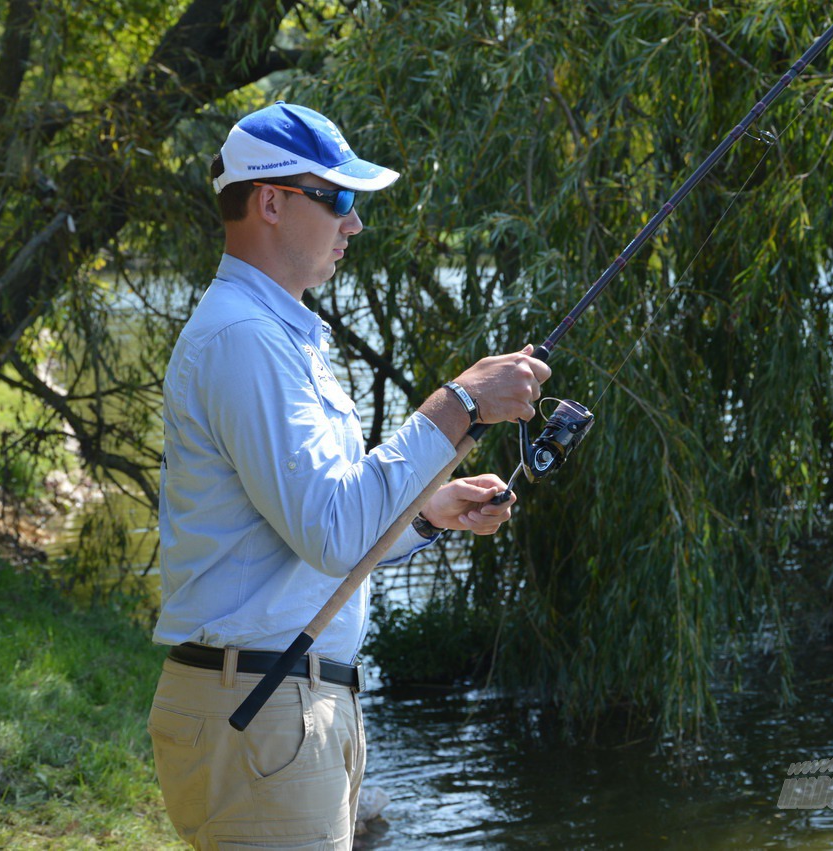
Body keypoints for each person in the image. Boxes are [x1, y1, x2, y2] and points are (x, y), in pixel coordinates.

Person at [148, 101, 551, 850]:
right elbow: (333, 531)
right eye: (338, 198)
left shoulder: (274, 334)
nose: (353, 223)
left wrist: (425, 512)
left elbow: (314, 531)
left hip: (281, 705)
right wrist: (459, 403)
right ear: (270, 202)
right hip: (264, 709)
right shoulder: (245, 339)